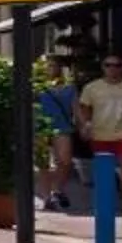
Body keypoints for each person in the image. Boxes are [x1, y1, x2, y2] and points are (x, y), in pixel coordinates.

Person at [75, 54, 122, 208]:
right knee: (104, 169)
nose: (112, 69)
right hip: (100, 134)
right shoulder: (92, 88)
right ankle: (107, 201)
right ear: (103, 67)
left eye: (116, 65)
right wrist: (85, 126)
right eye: (108, 65)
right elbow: (84, 109)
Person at [37, 61, 80, 213]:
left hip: (62, 126)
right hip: (40, 127)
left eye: (53, 65)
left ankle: (57, 188)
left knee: (65, 160)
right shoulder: (36, 86)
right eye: (46, 65)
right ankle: (46, 198)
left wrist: (83, 125)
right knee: (42, 163)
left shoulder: (69, 88)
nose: (49, 68)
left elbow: (76, 108)